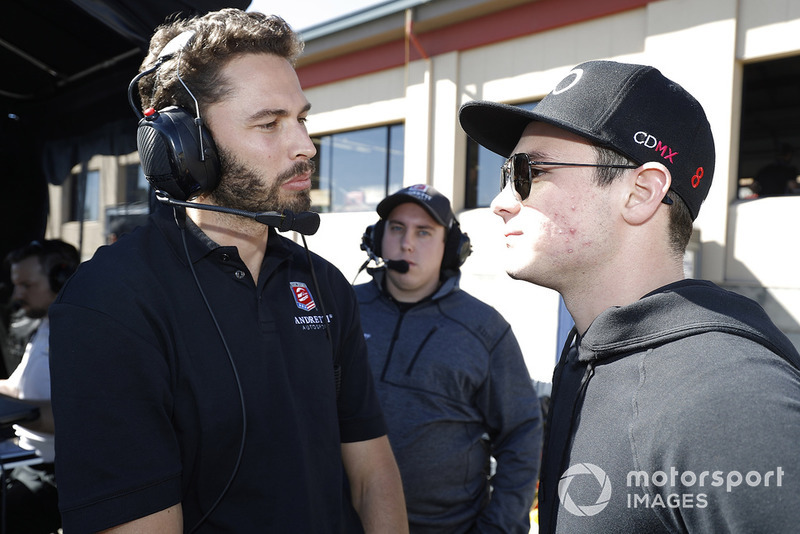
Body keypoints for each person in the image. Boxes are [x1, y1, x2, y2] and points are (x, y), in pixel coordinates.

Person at [49, 9, 406, 533]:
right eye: (269, 123)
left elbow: (372, 473)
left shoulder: (326, 285)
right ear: (183, 147)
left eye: (301, 118)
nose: (305, 145)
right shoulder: (110, 301)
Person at [459, 60, 800, 533]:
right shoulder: (593, 351)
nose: (501, 202)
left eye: (529, 171)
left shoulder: (731, 399)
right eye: (505, 174)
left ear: (641, 192)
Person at [354, 184, 543, 533]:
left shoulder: (485, 329)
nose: (407, 243)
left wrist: (498, 528)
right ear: (377, 237)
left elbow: (521, 438)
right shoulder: (340, 308)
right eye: (397, 228)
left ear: (452, 248)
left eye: (424, 232)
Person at [0, 239, 79, 534]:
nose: (18, 295)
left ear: (61, 276)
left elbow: (69, 417)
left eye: (26, 285)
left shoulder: (77, 334)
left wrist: (16, 410)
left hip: (55, 475)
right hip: (24, 455)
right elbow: (18, 389)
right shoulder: (45, 325)